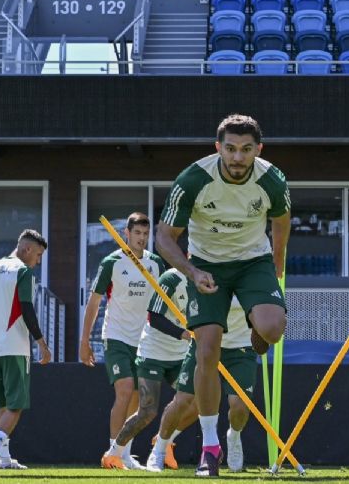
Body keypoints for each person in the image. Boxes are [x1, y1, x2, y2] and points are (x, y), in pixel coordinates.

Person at [156, 114, 290, 477]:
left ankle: (256, 330)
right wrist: (192, 272)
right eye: (230, 149)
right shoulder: (193, 179)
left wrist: (276, 265)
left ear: (258, 150)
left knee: (274, 328)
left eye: (246, 150)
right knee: (207, 349)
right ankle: (209, 446)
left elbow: (282, 219)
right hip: (207, 265)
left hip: (253, 262)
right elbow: (164, 237)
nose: (237, 157)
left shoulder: (272, 180)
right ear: (218, 148)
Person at [80, 212, 165, 470]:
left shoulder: (156, 264)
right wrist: (84, 341)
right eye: (136, 233)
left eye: (145, 234)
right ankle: (112, 452)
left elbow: (162, 303)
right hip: (116, 336)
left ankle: (124, 452)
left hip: (144, 340)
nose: (141, 239)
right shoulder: (112, 262)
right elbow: (94, 303)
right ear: (126, 234)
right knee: (125, 390)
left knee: (139, 398)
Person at [0, 229, 51, 470]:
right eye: (38, 255)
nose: (38, 261)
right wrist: (41, 343)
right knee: (16, 404)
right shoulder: (22, 272)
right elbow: (27, 308)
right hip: (15, 346)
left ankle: (2, 457)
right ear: (26, 250)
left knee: (3, 404)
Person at [146, 297, 257, 473]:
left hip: (240, 348)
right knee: (182, 400)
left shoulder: (248, 275)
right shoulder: (207, 272)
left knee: (240, 407)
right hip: (204, 343)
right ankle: (159, 449)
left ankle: (234, 437)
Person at [100, 267, 193, 470]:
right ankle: (114, 453)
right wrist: (182, 333)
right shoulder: (171, 279)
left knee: (196, 402)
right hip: (153, 353)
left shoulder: (208, 282)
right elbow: (154, 317)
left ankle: (163, 441)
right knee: (147, 411)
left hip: (180, 356)